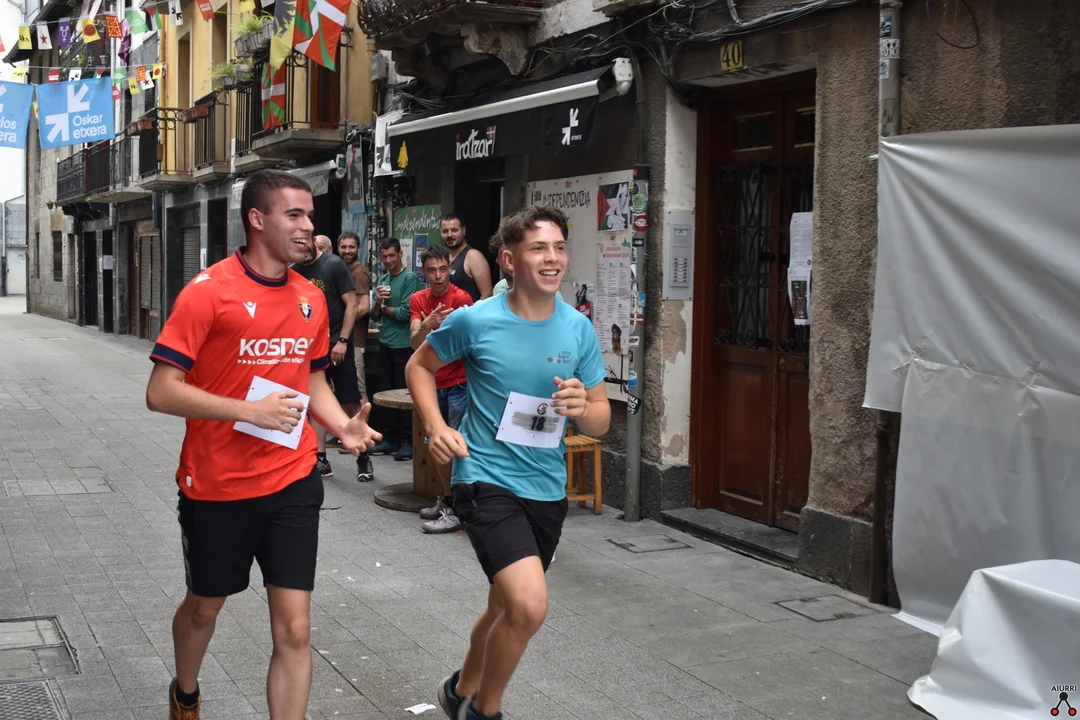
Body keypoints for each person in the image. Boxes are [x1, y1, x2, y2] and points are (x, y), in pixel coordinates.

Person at [145, 169, 381, 720]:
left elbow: (311, 379)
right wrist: (246, 411)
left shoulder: (311, 297)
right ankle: (185, 693)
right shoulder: (208, 292)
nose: (307, 227)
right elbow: (160, 391)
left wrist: (341, 425)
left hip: (292, 479)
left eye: (309, 216)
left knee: (296, 630)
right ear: (257, 219)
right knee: (205, 609)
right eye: (293, 215)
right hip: (218, 486)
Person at [405, 205, 610, 720]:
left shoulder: (578, 329)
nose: (552, 258)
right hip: (485, 478)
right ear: (510, 260)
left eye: (559, 247)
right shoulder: (476, 319)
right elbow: (419, 366)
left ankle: (459, 690)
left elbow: (601, 417)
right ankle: (483, 709)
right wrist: (437, 426)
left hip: (546, 487)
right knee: (529, 605)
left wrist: (584, 408)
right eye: (539, 248)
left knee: (502, 605)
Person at [292, 230, 367, 481]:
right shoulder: (295, 270)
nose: (302, 250)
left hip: (337, 344)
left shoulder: (333, 265)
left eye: (305, 244)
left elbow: (352, 305)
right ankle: (321, 459)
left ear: (313, 241)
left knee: (350, 402)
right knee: (314, 403)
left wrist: (343, 341)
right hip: (311, 348)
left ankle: (363, 457)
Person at [408, 244, 473, 534]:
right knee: (436, 444)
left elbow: (465, 346)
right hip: (432, 385)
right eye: (431, 270)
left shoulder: (461, 298)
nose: (438, 276)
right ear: (423, 272)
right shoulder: (418, 299)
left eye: (443, 269)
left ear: (450, 269)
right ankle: (447, 501)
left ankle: (461, 508)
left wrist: (433, 332)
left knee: (458, 446)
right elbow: (414, 343)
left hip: (459, 383)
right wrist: (427, 325)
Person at [369, 237, 422, 461]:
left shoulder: (409, 278)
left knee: (404, 393)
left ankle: (408, 440)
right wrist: (378, 303)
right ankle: (390, 438)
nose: (388, 260)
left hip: (404, 345)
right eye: (384, 256)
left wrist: (385, 309)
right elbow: (374, 316)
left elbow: (404, 314)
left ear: (401, 255)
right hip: (386, 343)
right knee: (385, 392)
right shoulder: (383, 279)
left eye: (392, 255)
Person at [336, 231, 373, 409]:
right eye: (344, 247)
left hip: (355, 340)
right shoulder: (344, 270)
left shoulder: (358, 272)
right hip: (345, 339)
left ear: (359, 248)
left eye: (351, 247)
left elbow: (364, 306)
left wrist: (341, 322)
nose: (347, 251)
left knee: (358, 389)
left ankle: (363, 426)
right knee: (347, 390)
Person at [489, 231, 564, 302]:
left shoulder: (549, 294)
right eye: (505, 256)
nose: (512, 261)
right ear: (497, 260)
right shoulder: (499, 288)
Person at [440, 213, 493, 302]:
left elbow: (487, 294)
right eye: (445, 231)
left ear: (463, 231)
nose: (449, 235)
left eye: (454, 230)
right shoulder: (445, 257)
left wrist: (472, 310)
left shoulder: (473, 256)